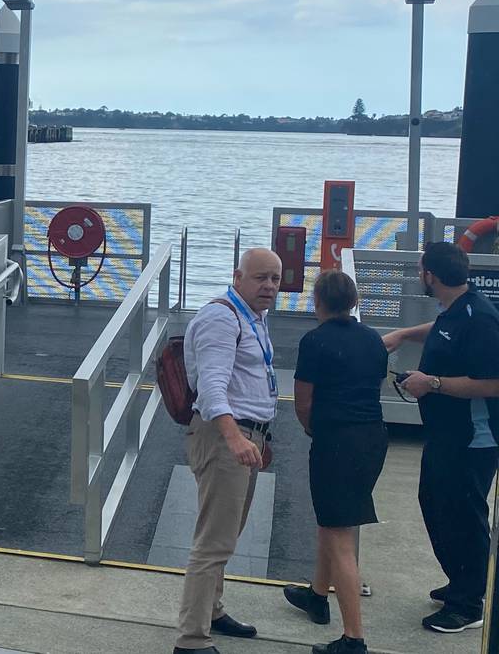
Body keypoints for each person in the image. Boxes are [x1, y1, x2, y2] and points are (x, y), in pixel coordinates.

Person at [386, 241, 499, 634]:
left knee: (463, 516)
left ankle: (468, 604)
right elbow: (442, 329)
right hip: (445, 434)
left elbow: (493, 382)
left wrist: (430, 383)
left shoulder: (481, 318)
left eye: (421, 270)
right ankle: (461, 580)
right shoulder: (455, 310)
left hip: (471, 439)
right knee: (434, 503)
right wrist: (402, 334)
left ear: (429, 275)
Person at [174, 248, 283, 654]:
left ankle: (213, 612)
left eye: (275, 278)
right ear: (238, 277)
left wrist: (257, 437)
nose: (269, 286)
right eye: (260, 278)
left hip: (247, 435)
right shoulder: (222, 318)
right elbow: (212, 387)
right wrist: (236, 438)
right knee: (213, 542)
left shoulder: (254, 317)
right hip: (225, 437)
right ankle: (191, 640)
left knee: (226, 535)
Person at [284, 270, 389, 654]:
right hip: (373, 438)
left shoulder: (314, 342)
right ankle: (316, 595)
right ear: (354, 301)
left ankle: (353, 639)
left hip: (336, 441)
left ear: (318, 302)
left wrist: (316, 431)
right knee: (333, 522)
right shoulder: (373, 339)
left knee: (338, 534)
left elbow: (303, 403)